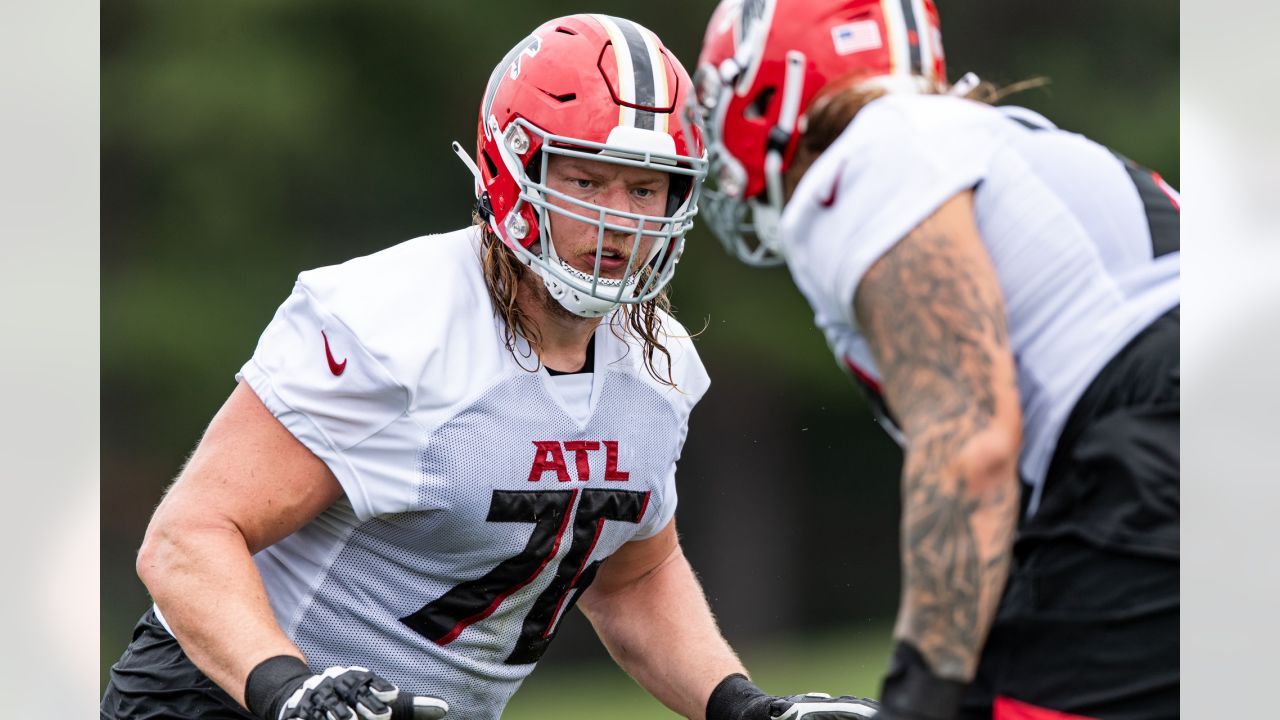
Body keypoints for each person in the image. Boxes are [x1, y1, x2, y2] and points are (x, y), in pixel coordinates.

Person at [101, 13, 882, 720]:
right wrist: (288, 687)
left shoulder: (659, 365)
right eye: (585, 178)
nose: (618, 215)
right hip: (225, 698)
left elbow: (632, 577)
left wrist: (742, 707)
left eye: (646, 187)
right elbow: (188, 536)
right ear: (514, 169)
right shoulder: (391, 323)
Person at [692, 1, 1179, 719]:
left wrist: (915, 696)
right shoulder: (973, 137)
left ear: (772, 87)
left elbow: (972, 444)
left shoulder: (869, 159)